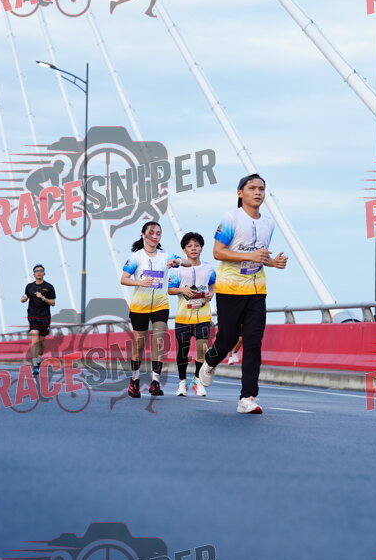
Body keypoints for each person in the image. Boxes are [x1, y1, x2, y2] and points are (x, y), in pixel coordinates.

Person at [199, 174, 288, 414]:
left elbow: (260, 256)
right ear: (240, 193)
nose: (257, 192)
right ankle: (211, 360)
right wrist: (250, 256)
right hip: (230, 288)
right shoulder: (231, 218)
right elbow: (218, 252)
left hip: (257, 289)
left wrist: (273, 263)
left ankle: (247, 397)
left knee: (253, 342)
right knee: (227, 339)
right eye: (252, 188)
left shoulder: (268, 223)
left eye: (261, 189)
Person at [121, 222, 191, 397]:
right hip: (139, 307)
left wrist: (178, 261)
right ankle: (134, 380)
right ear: (143, 235)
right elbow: (124, 279)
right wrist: (140, 282)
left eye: (158, 233)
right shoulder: (136, 257)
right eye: (151, 232)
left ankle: (155, 382)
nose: (155, 236)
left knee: (159, 342)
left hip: (160, 305)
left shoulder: (165, 256)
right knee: (139, 344)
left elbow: (188, 262)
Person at [168, 232, 216, 397]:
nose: (193, 248)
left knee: (202, 349)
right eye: (189, 246)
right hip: (183, 316)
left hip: (203, 315)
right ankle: (182, 383)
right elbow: (170, 290)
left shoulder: (209, 268)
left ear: (201, 248)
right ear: (184, 250)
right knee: (183, 351)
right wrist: (183, 290)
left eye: (196, 245)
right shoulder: (178, 270)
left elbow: (212, 284)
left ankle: (197, 381)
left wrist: (211, 293)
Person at [21, 265, 56, 376]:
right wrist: (23, 299)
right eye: (36, 271)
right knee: (35, 338)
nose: (39, 272)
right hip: (33, 316)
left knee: (41, 341)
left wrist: (43, 297)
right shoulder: (29, 286)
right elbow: (24, 297)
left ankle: (39, 358)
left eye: (41, 271)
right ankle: (35, 365)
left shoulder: (49, 287)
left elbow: (53, 303)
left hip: (45, 317)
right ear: (34, 274)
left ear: (44, 273)